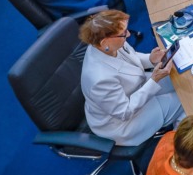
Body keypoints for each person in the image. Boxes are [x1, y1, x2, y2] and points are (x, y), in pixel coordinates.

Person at [79, 10, 184, 147]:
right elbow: (125, 112)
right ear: (105, 42)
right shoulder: (99, 79)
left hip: (135, 89)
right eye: (124, 34)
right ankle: (177, 144)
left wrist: (150, 59)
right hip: (123, 123)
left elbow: (130, 57)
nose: (128, 35)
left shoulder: (104, 44)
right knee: (184, 101)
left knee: (181, 81)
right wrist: (154, 80)